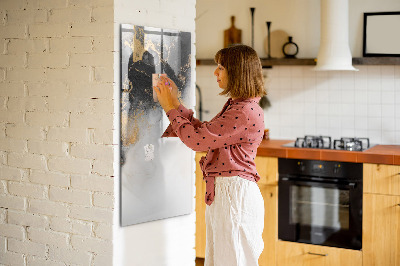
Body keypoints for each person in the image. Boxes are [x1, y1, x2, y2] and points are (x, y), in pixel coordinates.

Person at [154, 44, 266, 266]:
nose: (215, 72)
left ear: (237, 72)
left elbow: (197, 141)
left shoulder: (243, 111)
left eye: (221, 67)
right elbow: (204, 133)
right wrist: (175, 103)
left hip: (234, 196)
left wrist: (169, 108)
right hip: (228, 194)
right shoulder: (239, 106)